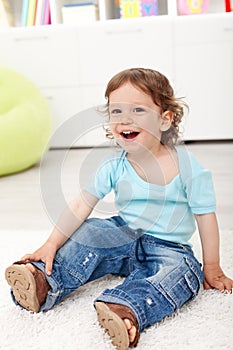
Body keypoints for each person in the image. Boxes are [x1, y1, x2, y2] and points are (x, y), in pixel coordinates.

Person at [5, 68, 233, 350]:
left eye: (138, 110)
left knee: (183, 273)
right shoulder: (114, 165)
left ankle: (126, 309)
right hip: (122, 233)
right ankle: (44, 281)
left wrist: (212, 266)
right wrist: (50, 244)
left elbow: (205, 216)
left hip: (169, 247)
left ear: (165, 120)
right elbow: (81, 205)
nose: (125, 119)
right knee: (90, 232)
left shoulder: (188, 168)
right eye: (116, 111)